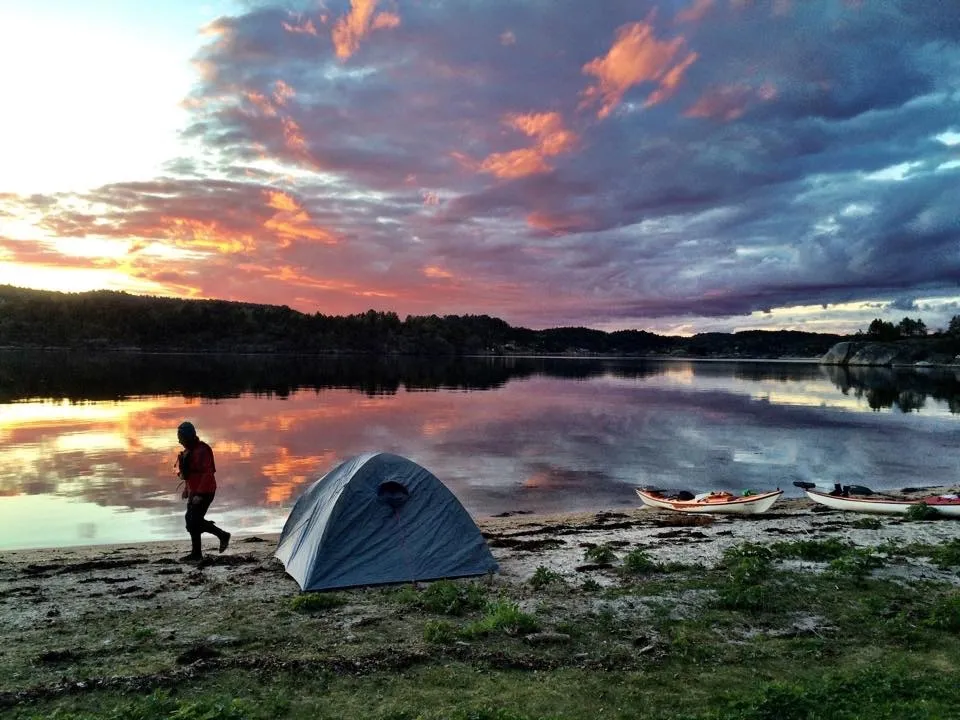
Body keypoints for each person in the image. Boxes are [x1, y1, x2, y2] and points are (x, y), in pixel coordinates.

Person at [175, 421, 230, 562]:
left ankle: (222, 536)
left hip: (206, 491)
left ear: (188, 436)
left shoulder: (203, 450)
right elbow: (189, 474)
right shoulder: (187, 452)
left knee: (194, 520)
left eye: (180, 436)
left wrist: (199, 494)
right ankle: (197, 553)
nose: (178, 440)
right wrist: (187, 489)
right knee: (191, 520)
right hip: (194, 491)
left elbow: (207, 473)